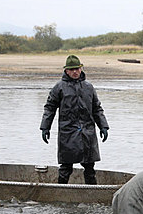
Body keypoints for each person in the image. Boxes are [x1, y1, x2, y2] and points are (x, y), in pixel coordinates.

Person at [40, 54, 109, 184]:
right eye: (72, 69)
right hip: (68, 133)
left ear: (81, 69)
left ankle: (92, 193)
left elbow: (97, 108)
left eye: (77, 69)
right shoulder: (59, 87)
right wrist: (45, 127)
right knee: (65, 168)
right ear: (66, 71)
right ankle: (60, 192)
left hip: (87, 132)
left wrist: (103, 126)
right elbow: (49, 108)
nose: (75, 72)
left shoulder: (89, 87)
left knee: (90, 167)